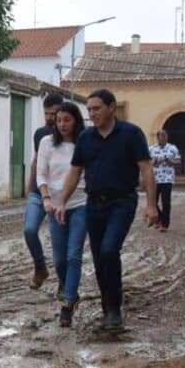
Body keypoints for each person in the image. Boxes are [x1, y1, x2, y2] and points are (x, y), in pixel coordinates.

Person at [56, 89, 159, 332]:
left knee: (110, 250)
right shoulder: (86, 138)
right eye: (89, 110)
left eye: (97, 109)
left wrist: (152, 205)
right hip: (94, 204)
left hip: (122, 202)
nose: (92, 114)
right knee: (100, 257)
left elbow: (145, 168)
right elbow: (75, 172)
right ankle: (107, 308)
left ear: (112, 108)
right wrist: (62, 201)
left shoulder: (131, 134)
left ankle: (114, 309)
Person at [38, 102, 88, 327]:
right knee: (59, 259)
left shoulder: (85, 143)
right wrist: (47, 198)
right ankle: (69, 289)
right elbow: (41, 174)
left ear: (76, 121)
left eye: (67, 120)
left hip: (80, 203)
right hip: (54, 205)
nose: (62, 124)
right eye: (59, 120)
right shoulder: (47, 143)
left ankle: (67, 303)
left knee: (74, 254)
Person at [24, 93, 62, 289]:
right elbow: (37, 159)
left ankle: (64, 284)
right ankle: (40, 266)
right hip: (38, 191)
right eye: (46, 113)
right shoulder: (40, 134)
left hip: (60, 194)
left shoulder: (74, 134)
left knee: (59, 244)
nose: (49, 117)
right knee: (29, 230)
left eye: (53, 113)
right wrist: (30, 187)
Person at [149, 130, 181, 232]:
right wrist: (158, 160)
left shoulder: (172, 148)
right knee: (153, 202)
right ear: (157, 137)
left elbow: (178, 161)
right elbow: (148, 163)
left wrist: (170, 161)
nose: (163, 138)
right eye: (161, 136)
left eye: (165, 136)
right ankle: (159, 218)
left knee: (166, 203)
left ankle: (165, 225)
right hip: (154, 179)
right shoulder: (151, 149)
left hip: (167, 179)